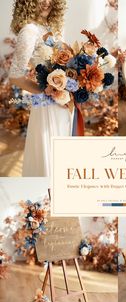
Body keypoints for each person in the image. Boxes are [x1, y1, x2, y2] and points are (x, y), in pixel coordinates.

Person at [9, 0, 72, 177]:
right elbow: (15, 76)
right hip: (46, 104)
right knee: (49, 158)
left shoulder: (52, 26)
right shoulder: (29, 31)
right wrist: (46, 93)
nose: (46, 2)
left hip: (63, 102)